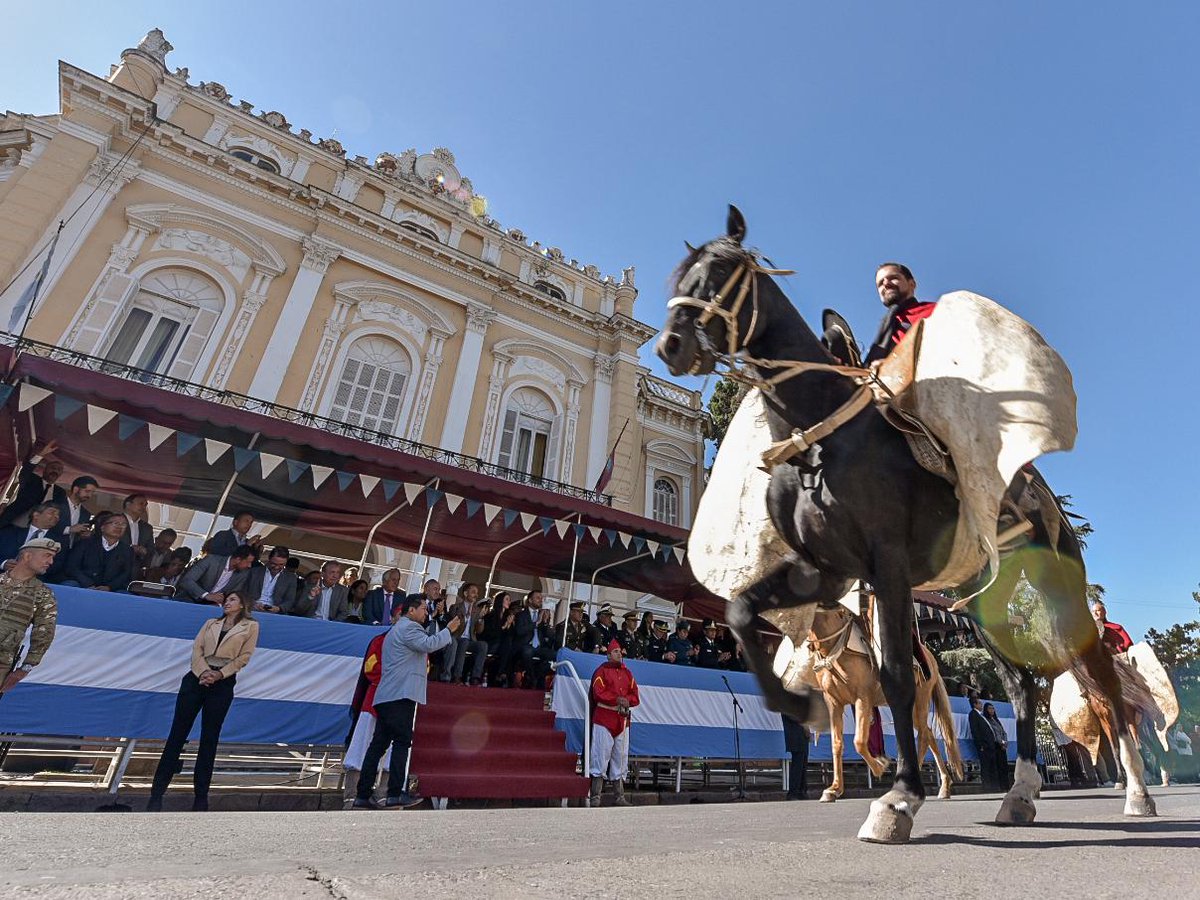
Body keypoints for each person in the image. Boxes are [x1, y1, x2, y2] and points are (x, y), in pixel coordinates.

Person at [147, 591, 259, 811]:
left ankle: (200, 796)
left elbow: (244, 657)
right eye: (227, 599)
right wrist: (204, 673)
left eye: (233, 599)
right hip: (196, 678)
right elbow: (197, 649)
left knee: (209, 738)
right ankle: (157, 792)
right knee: (177, 734)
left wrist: (220, 674)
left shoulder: (250, 626)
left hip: (223, 681)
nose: (227, 602)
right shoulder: (210, 623)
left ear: (243, 604)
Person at [353, 596, 462, 809]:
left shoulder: (399, 628)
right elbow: (429, 644)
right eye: (423, 608)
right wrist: (448, 630)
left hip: (389, 694)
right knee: (402, 741)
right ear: (411, 610)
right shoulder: (409, 628)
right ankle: (394, 793)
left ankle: (363, 794)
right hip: (400, 694)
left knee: (379, 745)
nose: (425, 612)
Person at [344, 603, 403, 805]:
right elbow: (371, 668)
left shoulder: (417, 643)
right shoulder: (380, 640)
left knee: (393, 749)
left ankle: (384, 794)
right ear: (394, 619)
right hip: (374, 701)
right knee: (362, 745)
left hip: (400, 702)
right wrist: (396, 677)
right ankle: (353, 794)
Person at [0, 538, 60, 700]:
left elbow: (44, 633)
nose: (50, 561)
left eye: (52, 557)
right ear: (27, 556)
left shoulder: (42, 594)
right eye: (46, 555)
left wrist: (25, 668)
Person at [588, 639, 640, 807]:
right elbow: (598, 693)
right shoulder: (601, 672)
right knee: (600, 755)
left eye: (620, 651)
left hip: (622, 720)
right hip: (604, 718)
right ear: (609, 655)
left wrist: (627, 701)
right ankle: (595, 796)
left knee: (621, 757)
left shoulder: (628, 673)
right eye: (616, 651)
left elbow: (635, 695)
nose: (620, 654)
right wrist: (617, 699)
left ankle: (619, 797)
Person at [863, 262, 938, 365]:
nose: (886, 284)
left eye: (893, 278)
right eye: (880, 284)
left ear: (912, 284)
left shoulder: (936, 310)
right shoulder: (887, 327)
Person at [61, 511, 135, 591]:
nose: (119, 527)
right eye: (115, 523)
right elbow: (72, 567)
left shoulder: (127, 550)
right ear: (102, 527)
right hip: (83, 585)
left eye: (123, 524)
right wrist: (88, 584)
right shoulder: (85, 543)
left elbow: (126, 574)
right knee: (69, 585)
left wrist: (109, 587)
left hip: (110, 589)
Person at [0, 441, 65, 527]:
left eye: (59, 469)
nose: (55, 471)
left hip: (35, 530)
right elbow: (24, 471)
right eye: (52, 467)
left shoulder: (60, 493)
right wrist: (40, 455)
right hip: (12, 521)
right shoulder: (32, 479)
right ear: (45, 469)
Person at [442, 582, 488, 684]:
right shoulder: (456, 607)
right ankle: (457, 676)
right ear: (466, 593)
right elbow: (454, 622)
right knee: (464, 642)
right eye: (473, 592)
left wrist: (480, 618)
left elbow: (479, 631)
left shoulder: (477, 610)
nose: (476, 595)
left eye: (477, 593)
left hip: (470, 639)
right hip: (457, 637)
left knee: (483, 645)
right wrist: (467, 616)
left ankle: (475, 677)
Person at [176, 545, 256, 604]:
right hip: (189, 599)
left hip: (214, 606)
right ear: (238, 559)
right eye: (248, 562)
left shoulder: (243, 574)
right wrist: (206, 595)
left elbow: (235, 594)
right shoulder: (211, 560)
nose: (249, 566)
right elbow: (187, 580)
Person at [244, 545, 297, 614]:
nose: (276, 567)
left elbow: (290, 600)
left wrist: (278, 608)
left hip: (274, 613)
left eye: (281, 565)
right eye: (274, 564)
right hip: (250, 609)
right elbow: (243, 591)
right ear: (269, 559)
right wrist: (253, 604)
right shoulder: (254, 572)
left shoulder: (290, 578)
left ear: (286, 562)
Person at [50, 475, 98, 549]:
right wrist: (69, 529)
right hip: (50, 548)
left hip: (71, 553)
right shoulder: (55, 505)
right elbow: (44, 525)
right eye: (87, 491)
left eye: (92, 493)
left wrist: (84, 535)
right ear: (75, 489)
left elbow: (78, 537)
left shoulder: (86, 514)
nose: (89, 495)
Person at [482, 591, 516, 686]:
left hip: (503, 647)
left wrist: (509, 626)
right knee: (506, 646)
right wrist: (504, 627)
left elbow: (511, 636)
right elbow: (489, 634)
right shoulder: (491, 615)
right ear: (500, 600)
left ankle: (500, 673)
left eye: (509, 600)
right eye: (507, 599)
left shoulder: (508, 616)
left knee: (508, 643)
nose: (509, 602)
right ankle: (502, 673)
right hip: (491, 644)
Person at [968, 695, 999, 790]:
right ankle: (987, 786)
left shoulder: (981, 715)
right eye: (979, 703)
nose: (981, 705)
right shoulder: (973, 714)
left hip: (990, 744)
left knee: (992, 766)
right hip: (984, 746)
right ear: (975, 704)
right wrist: (980, 744)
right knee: (986, 766)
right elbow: (975, 731)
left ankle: (994, 786)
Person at [118, 493, 154, 565]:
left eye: (145, 505)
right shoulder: (114, 521)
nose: (144, 507)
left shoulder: (147, 528)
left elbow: (151, 550)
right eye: (141, 503)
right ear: (128, 505)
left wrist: (144, 551)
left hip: (134, 568)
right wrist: (130, 548)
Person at [782, 714, 810, 800]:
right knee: (797, 764)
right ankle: (793, 792)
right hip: (795, 732)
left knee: (803, 762)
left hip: (802, 733)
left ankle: (802, 790)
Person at [984, 702, 1011, 790]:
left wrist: (1005, 742)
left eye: (993, 708)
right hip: (996, 746)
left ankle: (1006, 786)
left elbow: (1003, 732)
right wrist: (1001, 742)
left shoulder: (996, 720)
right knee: (998, 767)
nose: (992, 710)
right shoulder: (986, 721)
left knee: (1004, 767)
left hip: (1002, 746)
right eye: (990, 708)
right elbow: (993, 734)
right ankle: (1000, 786)